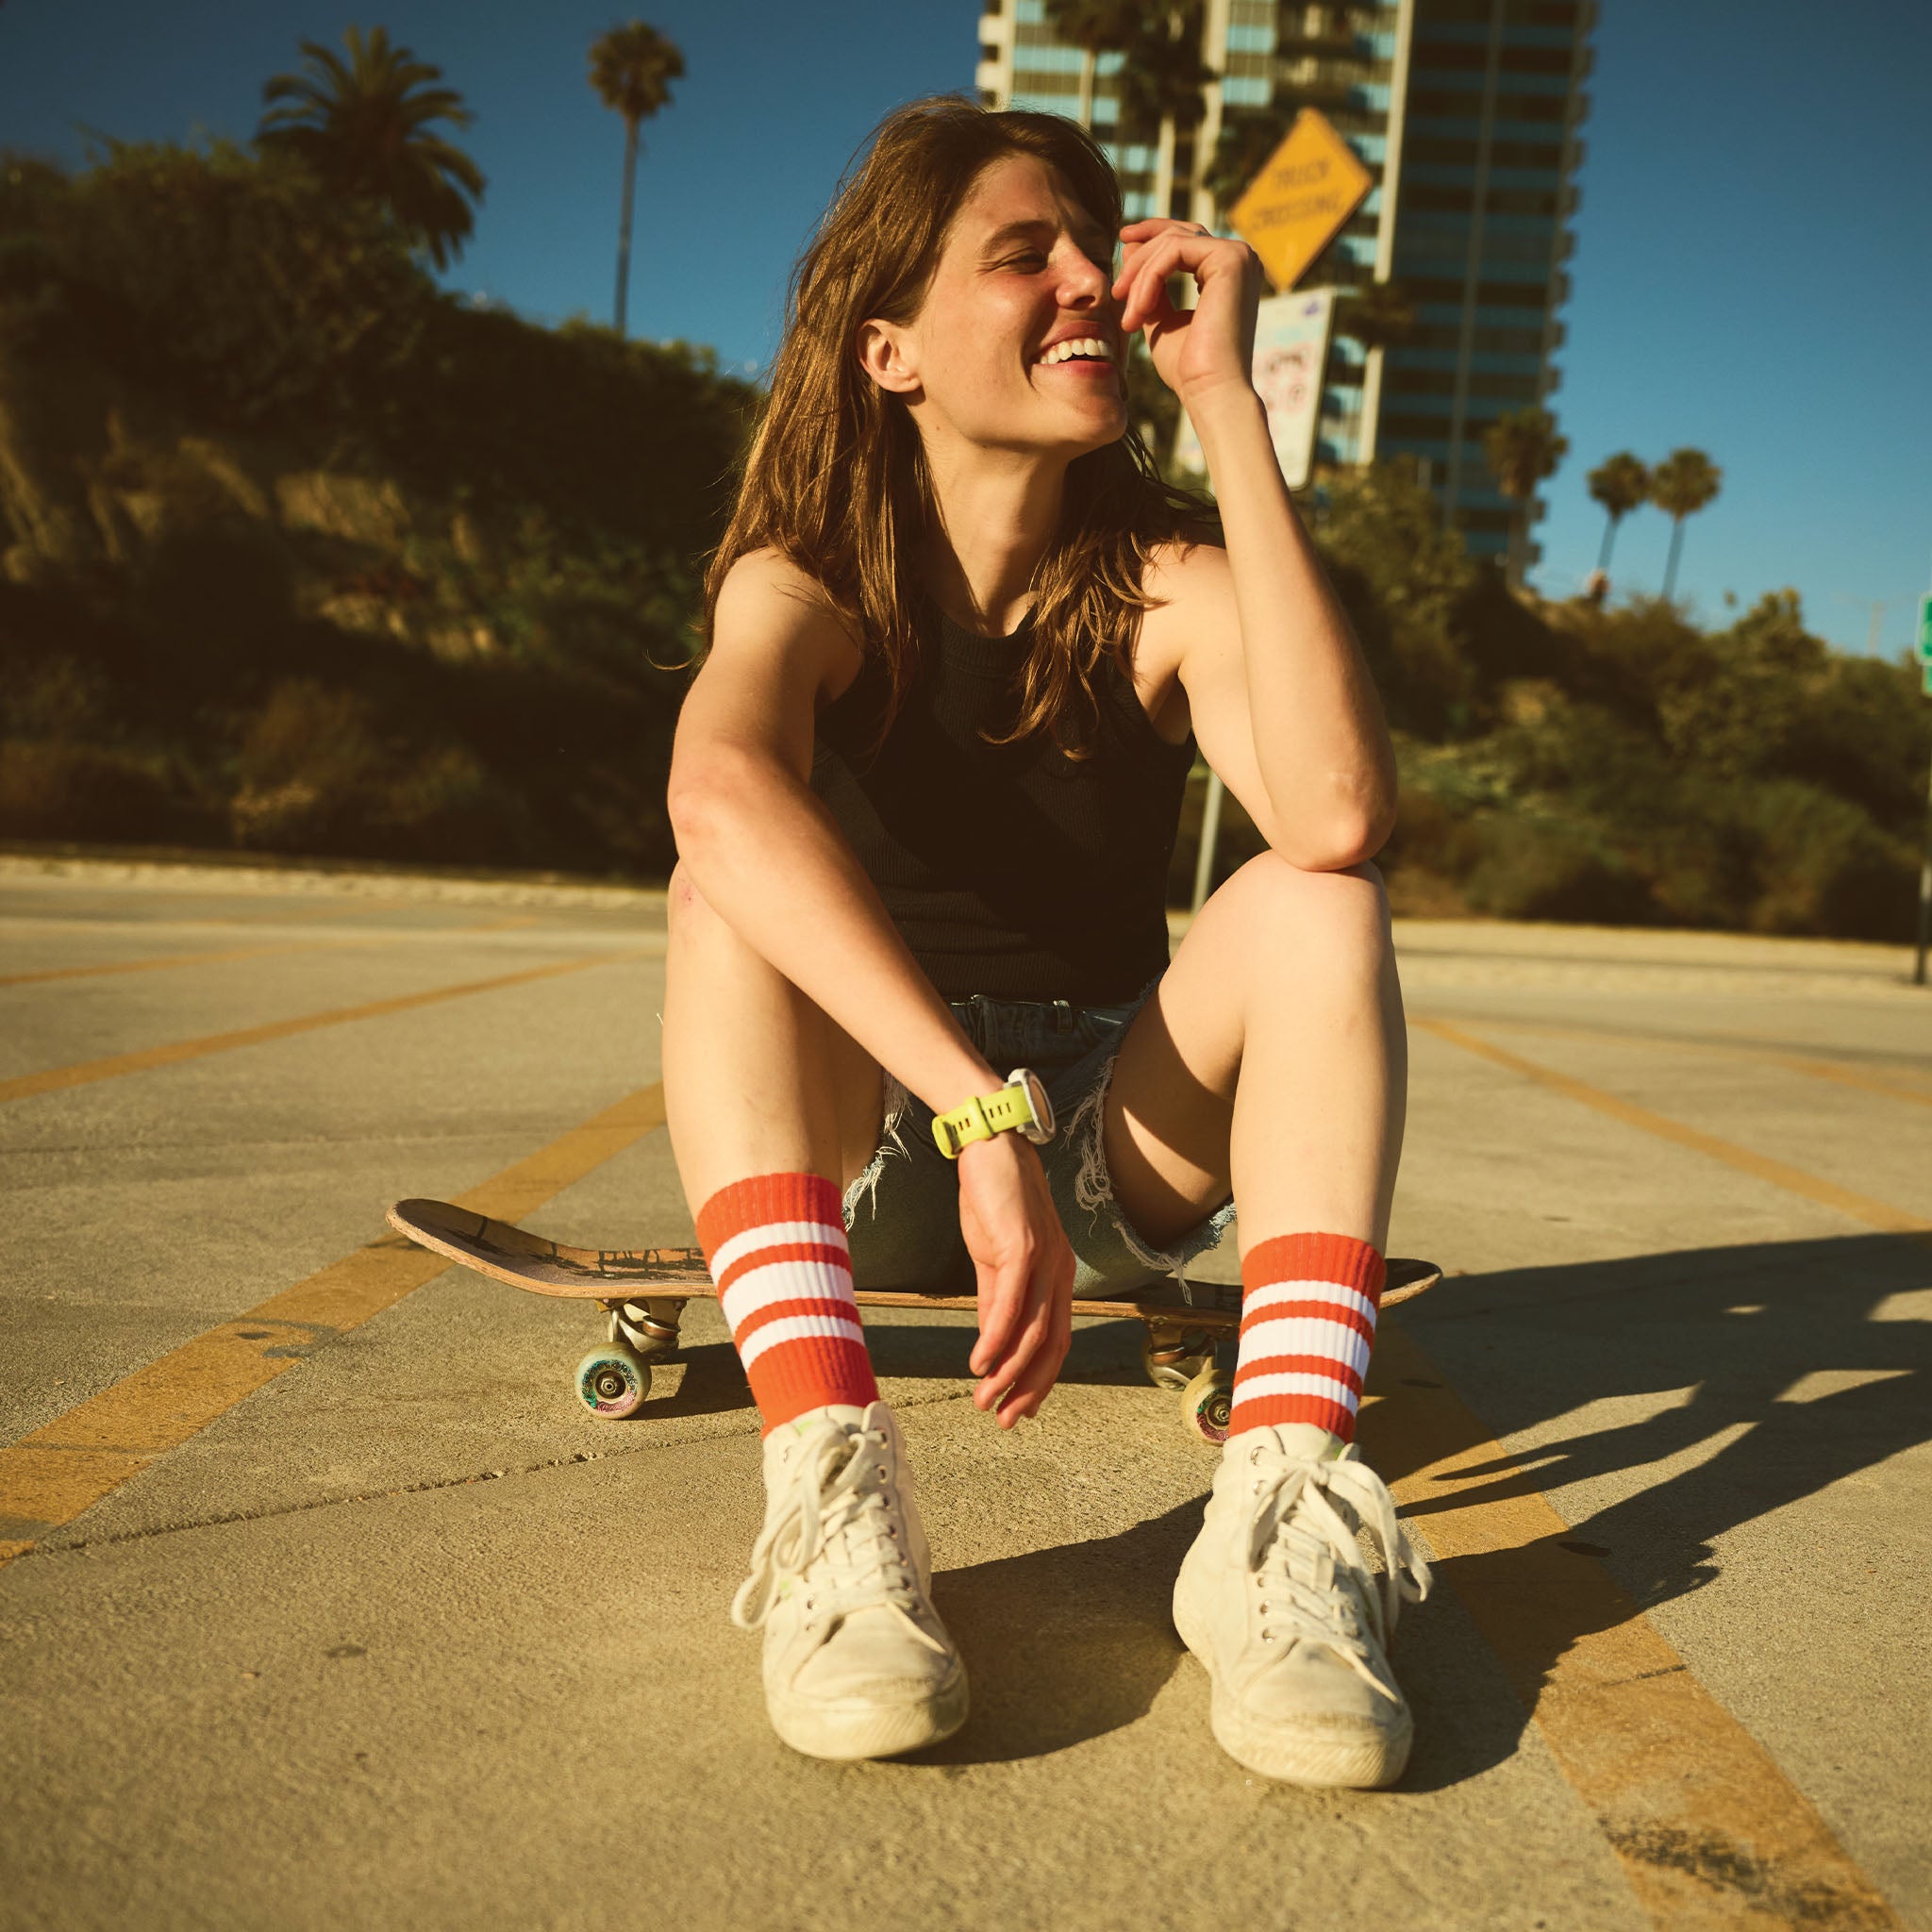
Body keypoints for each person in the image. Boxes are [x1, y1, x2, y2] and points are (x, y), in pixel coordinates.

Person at [661, 97, 1430, 1787]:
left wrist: (1225, 401)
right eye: (1027, 258)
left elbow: (1336, 810)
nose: (1088, 281)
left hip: (1107, 1148)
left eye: (1100, 248)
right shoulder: (807, 580)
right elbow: (714, 793)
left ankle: (1278, 1526)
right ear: (890, 350)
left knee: (1316, 901)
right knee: (721, 878)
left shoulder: (1162, 579)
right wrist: (967, 1107)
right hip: (874, 1134)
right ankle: (833, 1494)